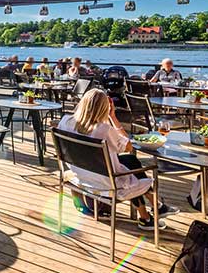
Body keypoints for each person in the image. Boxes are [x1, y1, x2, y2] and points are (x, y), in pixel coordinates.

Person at [58, 89, 179, 230]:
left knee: (129, 162)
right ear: (104, 108)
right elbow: (128, 146)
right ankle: (153, 211)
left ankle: (152, 211)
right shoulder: (103, 129)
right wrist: (113, 117)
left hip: (81, 175)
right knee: (131, 164)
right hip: (105, 184)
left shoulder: (65, 121)